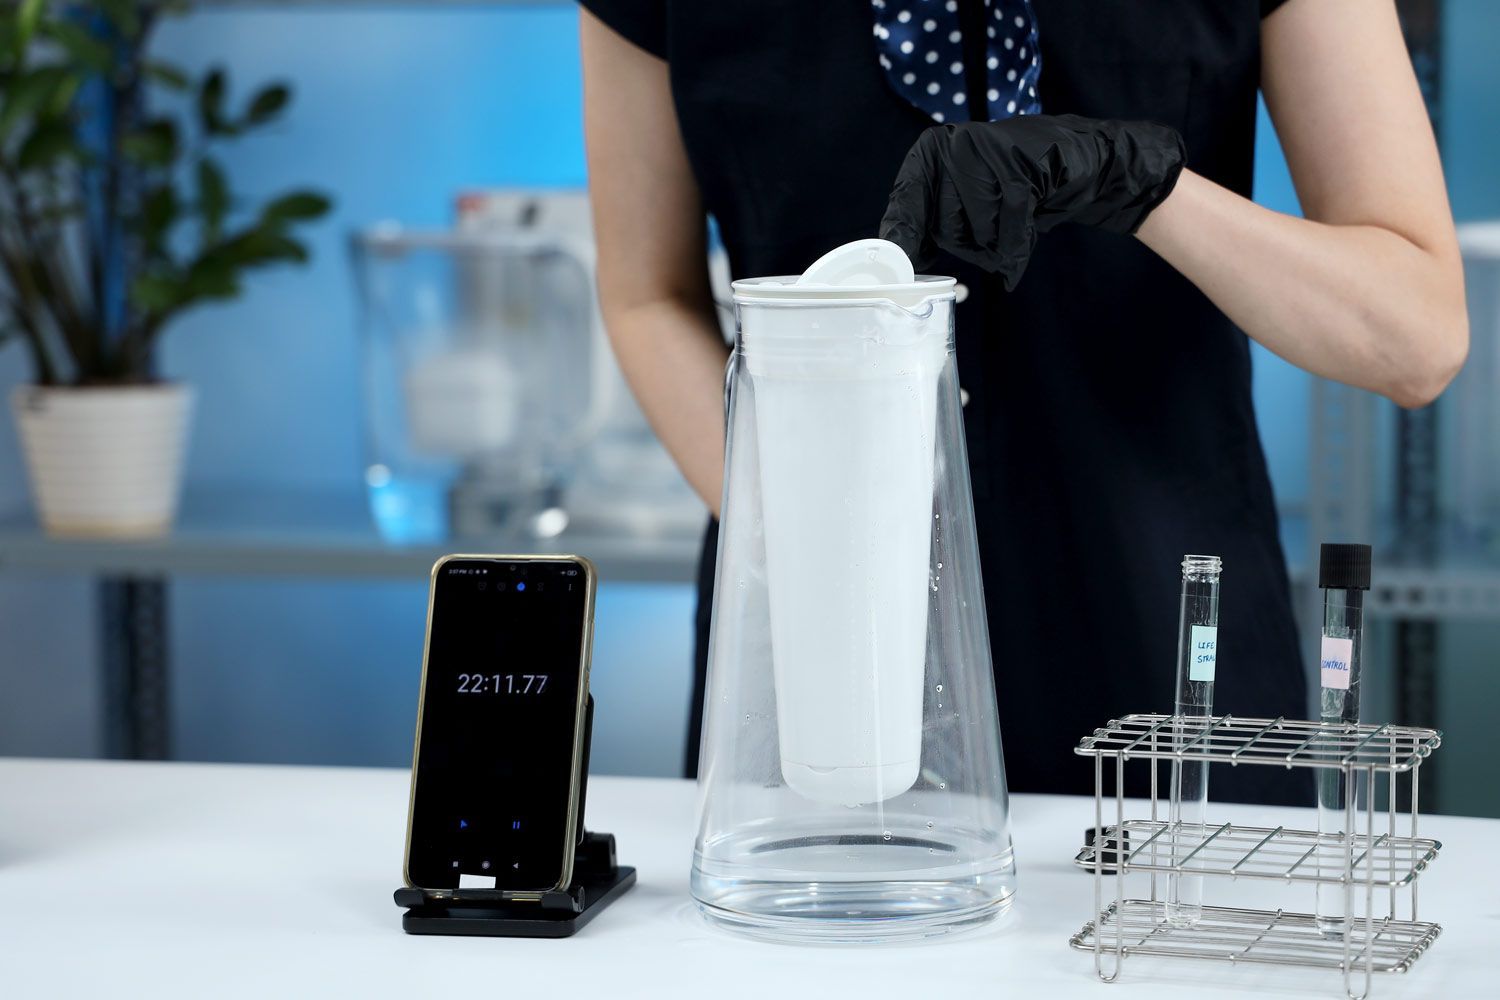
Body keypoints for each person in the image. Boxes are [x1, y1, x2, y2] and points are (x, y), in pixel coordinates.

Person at [578, 0, 1467, 802]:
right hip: (816, 645)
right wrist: (808, 550)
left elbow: (1416, 335)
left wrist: (1142, 186)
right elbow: (645, 297)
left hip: (1167, 620)